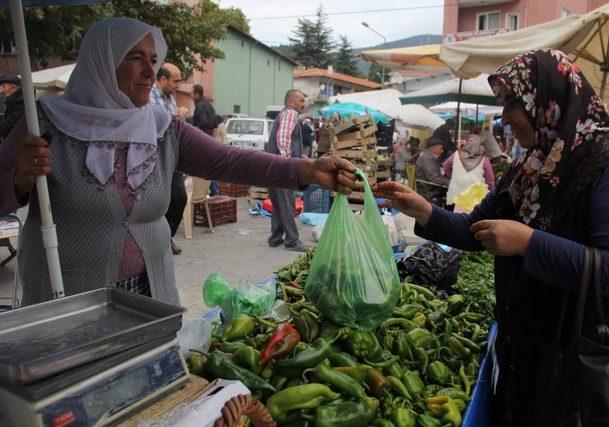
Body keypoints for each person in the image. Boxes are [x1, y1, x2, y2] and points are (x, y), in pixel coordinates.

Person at [0, 18, 356, 306]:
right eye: (135, 57)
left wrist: (306, 170)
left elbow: (231, 161)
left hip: (149, 296)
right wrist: (20, 180)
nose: (149, 71)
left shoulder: (161, 128)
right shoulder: (46, 123)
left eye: (153, 60)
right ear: (102, 61)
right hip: (69, 300)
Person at [374, 49, 609, 426]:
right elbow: (475, 230)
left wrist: (529, 242)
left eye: (513, 103)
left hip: (577, 367)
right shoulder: (531, 166)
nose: (504, 117)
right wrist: (424, 211)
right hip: (527, 351)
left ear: (547, 100)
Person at [150, 62, 187, 255]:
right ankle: (158, 241)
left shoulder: (170, 99)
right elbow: (154, 124)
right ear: (162, 79)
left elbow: (171, 124)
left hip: (171, 157)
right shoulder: (148, 96)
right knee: (157, 201)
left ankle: (166, 236)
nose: (179, 85)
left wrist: (179, 115)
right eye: (176, 81)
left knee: (179, 198)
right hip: (153, 159)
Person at [266, 89, 308, 252]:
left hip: (273, 166)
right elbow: (283, 140)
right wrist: (288, 162)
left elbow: (288, 140)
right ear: (291, 102)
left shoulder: (284, 114)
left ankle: (275, 238)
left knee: (277, 203)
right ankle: (292, 240)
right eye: (301, 101)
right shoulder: (290, 113)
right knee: (287, 204)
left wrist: (300, 155)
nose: (303, 105)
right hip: (282, 167)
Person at [443, 133, 495, 209]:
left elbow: (445, 166)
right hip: (474, 198)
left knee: (452, 218)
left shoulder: (456, 154)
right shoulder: (484, 159)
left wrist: (453, 177)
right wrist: (491, 193)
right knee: (472, 220)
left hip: (455, 194)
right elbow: (490, 180)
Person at [415, 137, 450, 207]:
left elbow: (436, 177)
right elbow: (434, 178)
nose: (442, 151)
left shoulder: (430, 157)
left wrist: (447, 181)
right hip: (427, 191)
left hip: (430, 188)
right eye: (440, 148)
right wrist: (450, 182)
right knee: (451, 197)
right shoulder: (426, 158)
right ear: (433, 148)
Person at [0, 75, 24, 141]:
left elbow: (10, 123)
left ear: (14, 87)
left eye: (4, 86)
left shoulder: (21, 102)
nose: (2, 91)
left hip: (19, 142)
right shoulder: (14, 102)